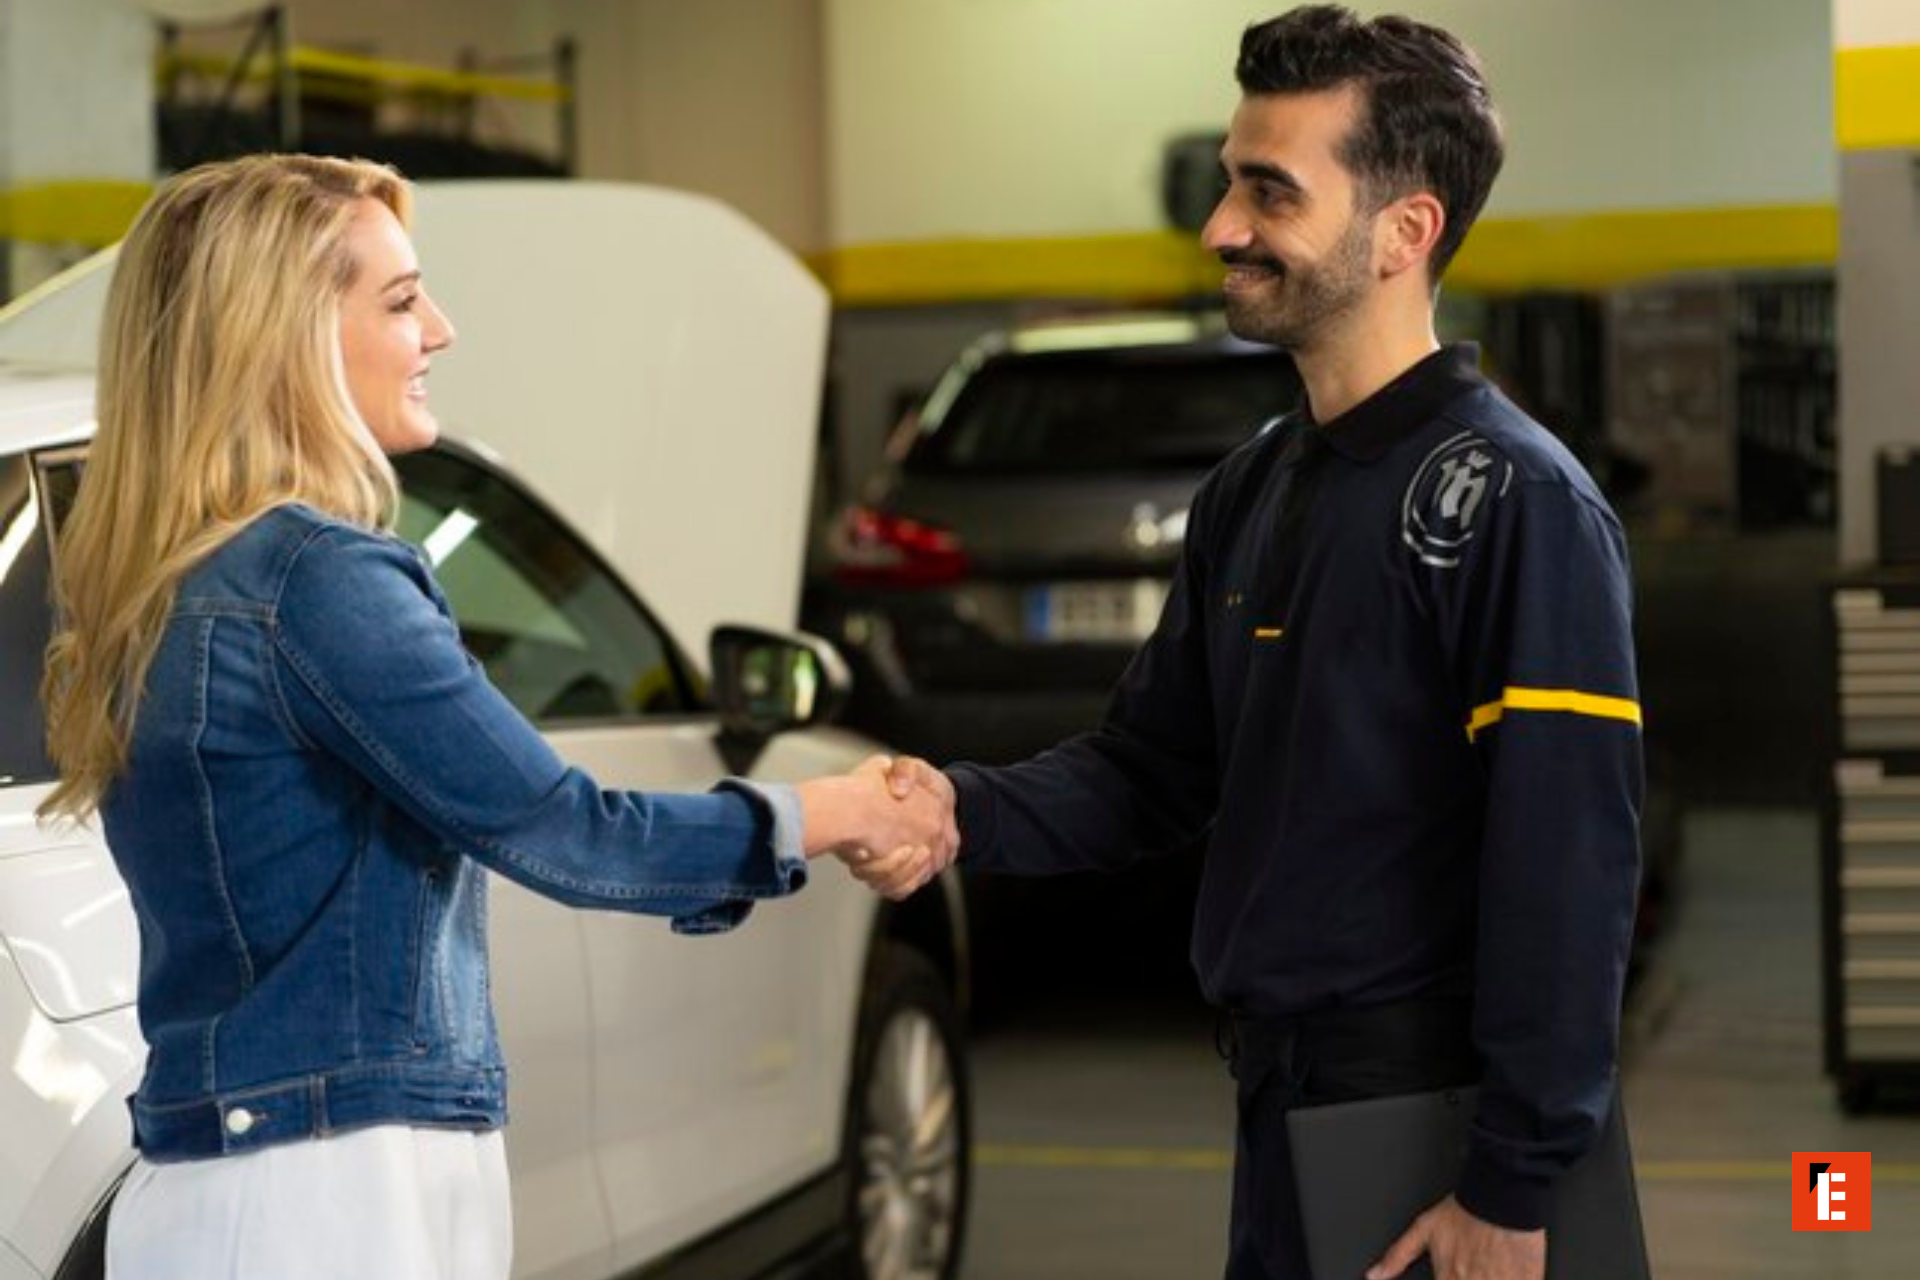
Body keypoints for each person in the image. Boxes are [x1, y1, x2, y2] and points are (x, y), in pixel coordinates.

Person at [36, 154, 950, 1280]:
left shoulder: (168, 583)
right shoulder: (315, 581)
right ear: (289, 336)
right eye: (401, 298)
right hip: (330, 1190)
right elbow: (567, 828)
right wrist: (834, 808)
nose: (442, 328)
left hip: (239, 1177)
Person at [883, 8, 1642, 1280]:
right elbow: (1152, 765)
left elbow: (1567, 866)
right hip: (1279, 1091)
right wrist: (951, 810)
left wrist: (1516, 1181)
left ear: (1406, 232)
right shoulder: (1256, 486)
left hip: (1433, 1126)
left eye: (1267, 191)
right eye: (1233, 182)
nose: (1221, 228)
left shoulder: (1516, 501)